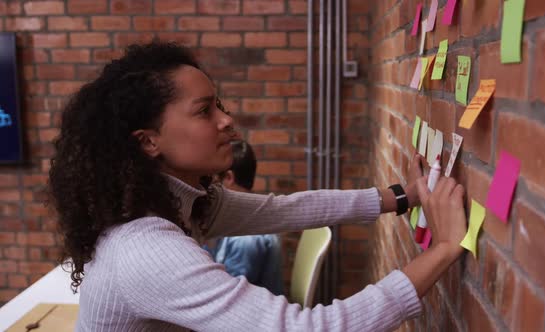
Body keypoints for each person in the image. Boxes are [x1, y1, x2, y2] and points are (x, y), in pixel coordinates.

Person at [48, 41, 467, 331]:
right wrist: (445, 249)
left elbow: (284, 210)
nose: (226, 120)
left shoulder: (183, 204)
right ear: (149, 141)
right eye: (204, 111)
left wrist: (401, 197)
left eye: (220, 105)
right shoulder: (146, 249)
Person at [204, 139, 284, 295]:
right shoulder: (242, 219)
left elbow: (228, 294)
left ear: (228, 177)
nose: (208, 188)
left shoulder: (245, 238)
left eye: (213, 179)